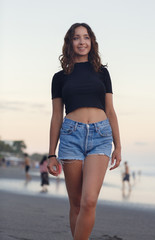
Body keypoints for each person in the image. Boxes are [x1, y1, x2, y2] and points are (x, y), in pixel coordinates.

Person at [47, 23, 121, 240]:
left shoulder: (102, 73)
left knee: (89, 200)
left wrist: (119, 146)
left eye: (86, 37)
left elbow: (110, 110)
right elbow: (56, 116)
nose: (82, 42)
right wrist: (51, 153)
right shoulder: (59, 77)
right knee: (77, 203)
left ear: (92, 42)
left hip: (100, 136)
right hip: (71, 136)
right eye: (77, 38)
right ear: (70, 43)